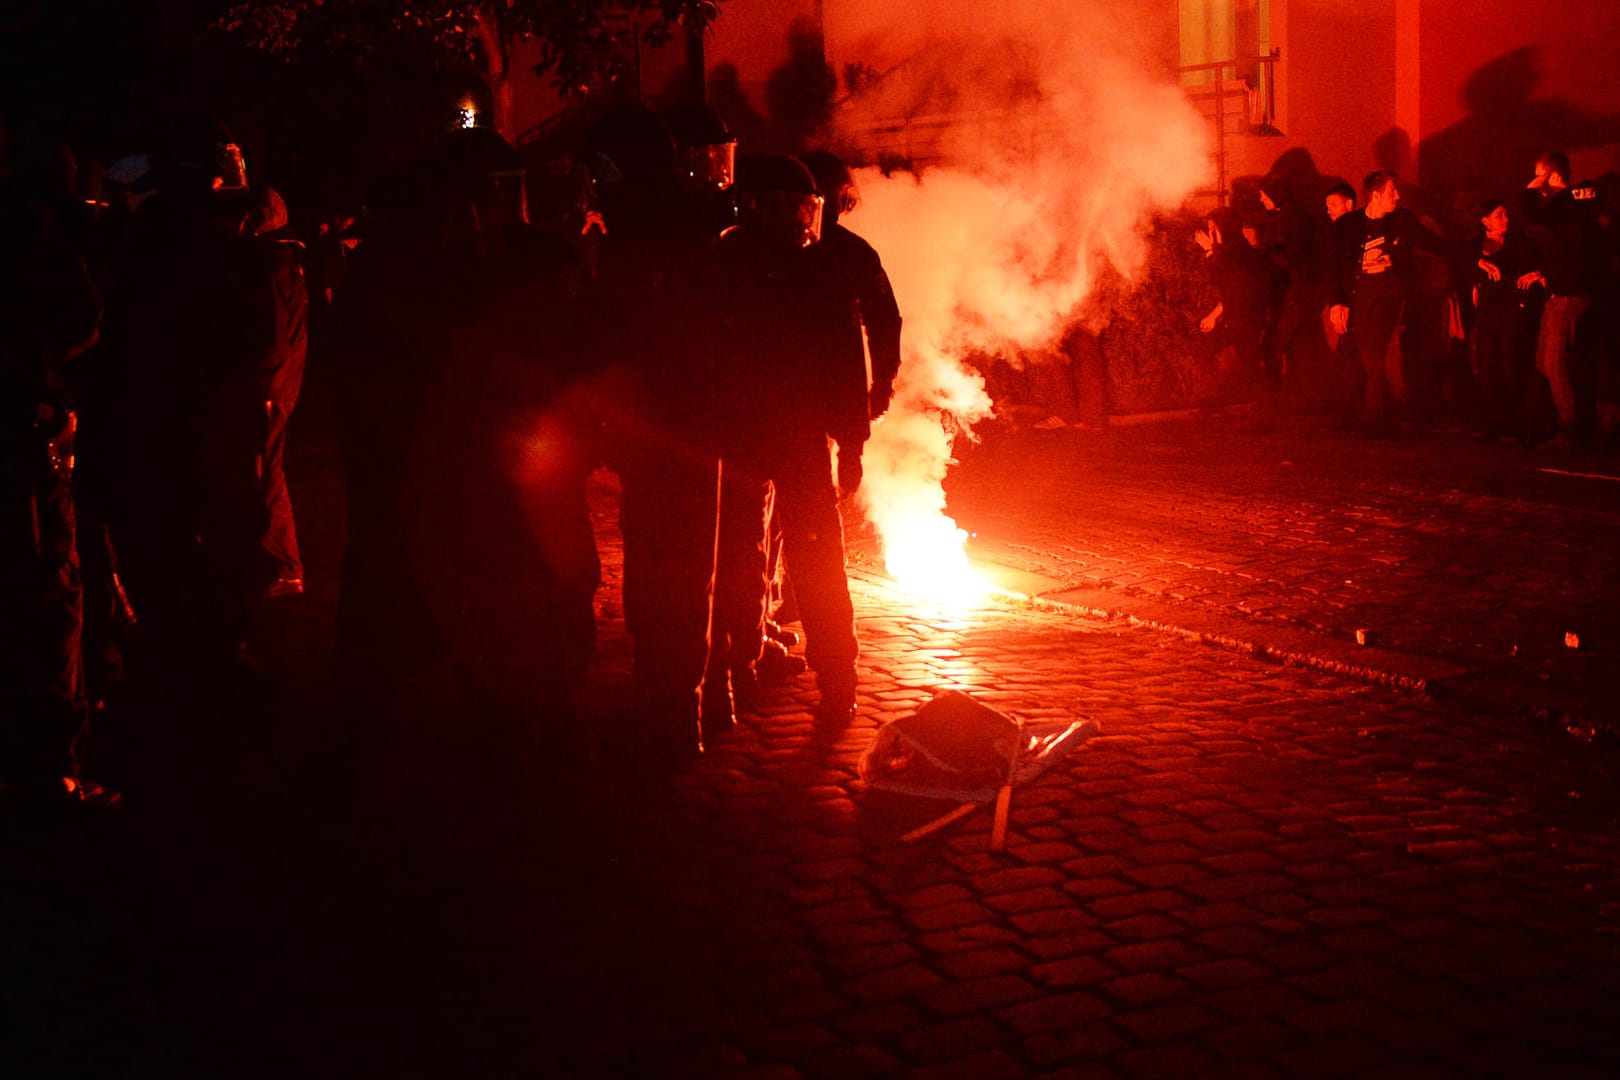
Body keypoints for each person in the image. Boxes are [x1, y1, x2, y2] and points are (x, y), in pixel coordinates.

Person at [710, 154, 867, 735]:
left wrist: (851, 440)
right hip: (774, 436)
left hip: (760, 435)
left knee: (760, 555)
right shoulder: (803, 270)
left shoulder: (737, 266)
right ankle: (810, 675)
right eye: (783, 207)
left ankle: (757, 668)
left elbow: (847, 361)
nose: (795, 220)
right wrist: (850, 441)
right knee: (791, 557)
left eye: (799, 208)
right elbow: (848, 362)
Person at [0, 121, 111, 806]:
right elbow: (83, 317)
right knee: (49, 591)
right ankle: (52, 770)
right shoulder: (34, 238)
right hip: (25, 428)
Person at [1327, 171, 1451, 431]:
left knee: (1377, 357)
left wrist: (1474, 253)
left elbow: (1432, 243)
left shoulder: (1402, 221)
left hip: (1389, 299)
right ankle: (1363, 415)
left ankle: (1376, 418)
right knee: (1359, 356)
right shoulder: (1348, 226)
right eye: (1392, 191)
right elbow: (1333, 266)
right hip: (1359, 298)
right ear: (1376, 194)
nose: (1398, 196)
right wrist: (1337, 301)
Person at [239, 185, 308, 597]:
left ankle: (283, 565)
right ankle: (276, 563)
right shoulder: (288, 261)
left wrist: (260, 383)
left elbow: (271, 338)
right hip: (282, 381)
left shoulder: (269, 265)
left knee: (266, 471)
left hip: (271, 384)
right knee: (268, 467)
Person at [1517, 150, 1603, 449]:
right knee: (1546, 361)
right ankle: (1572, 420)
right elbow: (1565, 249)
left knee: (1554, 363)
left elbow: (1531, 214)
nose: (1536, 181)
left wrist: (1531, 190)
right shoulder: (1571, 211)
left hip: (1568, 296)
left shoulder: (1563, 205)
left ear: (1553, 176)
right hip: (1562, 292)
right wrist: (1546, 273)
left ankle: (1571, 430)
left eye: (1540, 174)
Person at [1467, 198, 1539, 440]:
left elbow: (1538, 263)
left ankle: (1515, 423)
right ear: (1485, 220)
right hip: (1487, 314)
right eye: (1499, 215)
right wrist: (1477, 264)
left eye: (1506, 214)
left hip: (1511, 314)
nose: (1506, 219)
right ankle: (1491, 422)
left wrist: (1536, 274)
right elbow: (1461, 263)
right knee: (1487, 368)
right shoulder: (1474, 246)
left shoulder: (1518, 243)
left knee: (1511, 366)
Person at [1195, 205, 1272, 405]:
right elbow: (1228, 291)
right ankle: (1242, 400)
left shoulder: (1241, 253)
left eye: (1215, 229)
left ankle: (1259, 405)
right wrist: (1214, 316)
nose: (1211, 234)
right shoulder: (1229, 251)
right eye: (1210, 229)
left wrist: (1211, 252)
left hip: (1247, 320)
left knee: (1248, 361)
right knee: (1239, 358)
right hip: (1237, 318)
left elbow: (1232, 283)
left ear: (1226, 227)